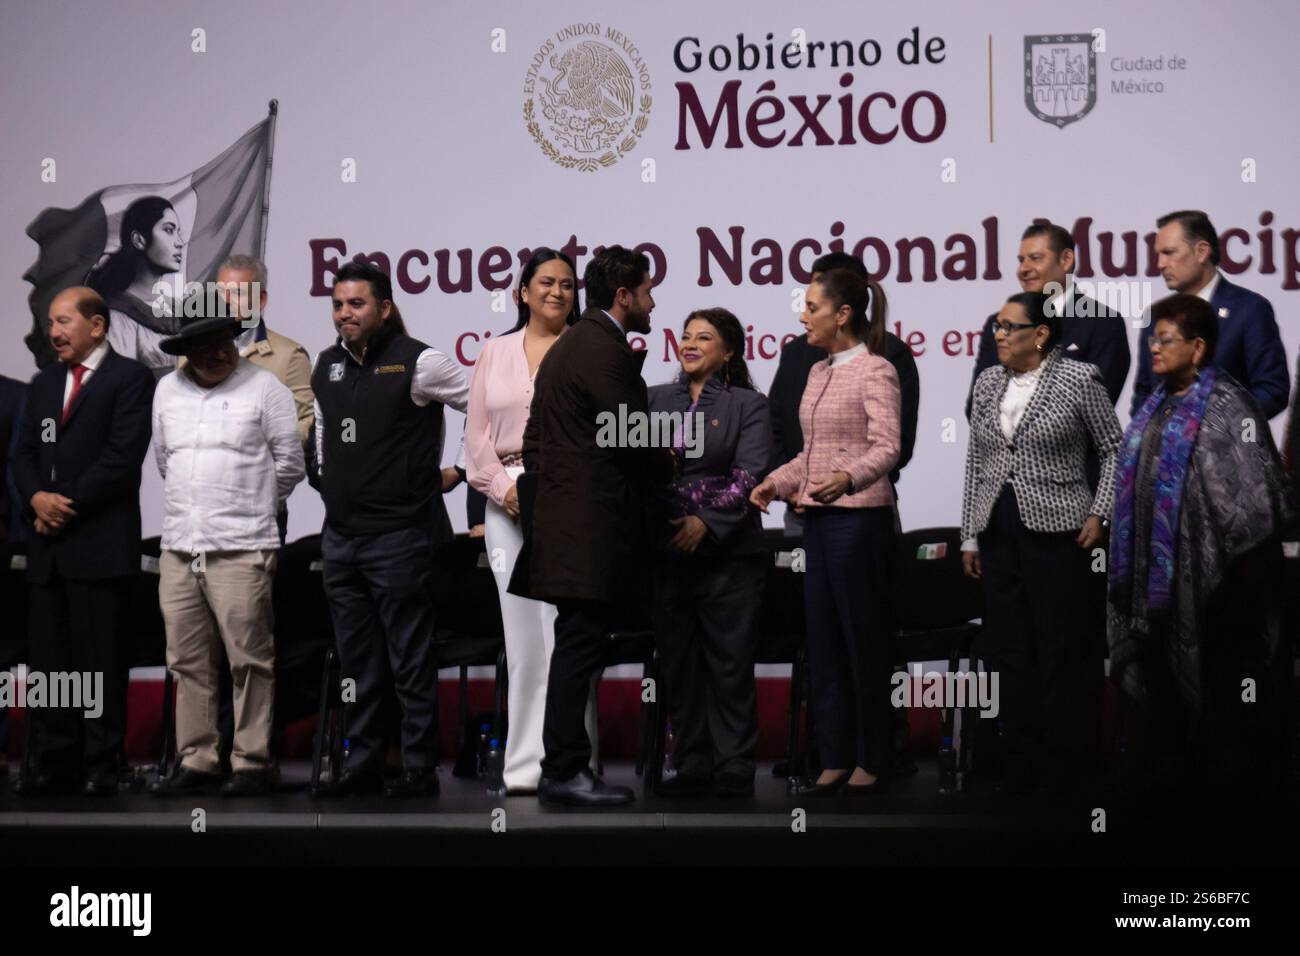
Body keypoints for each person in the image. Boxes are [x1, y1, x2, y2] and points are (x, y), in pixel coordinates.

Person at [1109, 294, 1294, 800]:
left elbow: (1256, 502)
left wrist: (1223, 562)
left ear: (1198, 347)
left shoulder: (1230, 407)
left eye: (1165, 339)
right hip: (1157, 584)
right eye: (1152, 338)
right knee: (1163, 691)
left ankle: (1231, 797)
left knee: (1225, 695)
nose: (1154, 348)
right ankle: (1176, 781)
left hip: (1225, 587)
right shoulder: (1154, 406)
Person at [508, 245, 673, 806]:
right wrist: (670, 459)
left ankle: (564, 767)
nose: (653, 302)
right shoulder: (603, 348)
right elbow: (631, 436)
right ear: (624, 297)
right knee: (579, 646)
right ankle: (564, 770)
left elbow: (534, 443)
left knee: (575, 645)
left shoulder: (568, 346)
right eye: (647, 292)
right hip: (589, 529)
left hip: (565, 524)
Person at [311, 261, 468, 797]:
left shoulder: (419, 362)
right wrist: (327, 481)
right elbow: (323, 436)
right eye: (337, 304)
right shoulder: (326, 364)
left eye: (356, 304)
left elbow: (489, 408)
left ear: (383, 308)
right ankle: (364, 764)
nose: (345, 313)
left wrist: (464, 470)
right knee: (358, 663)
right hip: (341, 537)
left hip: (401, 535)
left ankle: (420, 767)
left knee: (409, 658)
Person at [961, 291, 1122, 799]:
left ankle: (1068, 760)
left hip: (1061, 531)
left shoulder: (1080, 379)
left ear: (1042, 334)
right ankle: (1021, 759)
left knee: (1061, 647)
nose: (999, 335)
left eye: (1009, 327)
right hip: (998, 530)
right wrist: (969, 532)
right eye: (997, 327)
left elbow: (1115, 451)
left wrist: (1100, 512)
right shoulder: (988, 383)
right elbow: (976, 462)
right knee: (1009, 649)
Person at [750, 269, 900, 794]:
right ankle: (834, 755)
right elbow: (808, 456)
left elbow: (887, 447)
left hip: (860, 523)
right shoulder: (816, 372)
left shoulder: (876, 370)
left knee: (864, 642)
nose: (802, 314)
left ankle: (874, 756)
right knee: (825, 642)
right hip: (818, 523)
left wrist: (848, 478)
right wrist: (774, 482)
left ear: (843, 315)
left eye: (812, 306)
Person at [147, 313, 304, 796]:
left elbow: (290, 466)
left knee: (249, 659)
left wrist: (247, 504)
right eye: (202, 348)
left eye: (222, 344)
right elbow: (164, 460)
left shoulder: (266, 389)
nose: (215, 354)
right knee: (186, 660)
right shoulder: (167, 392)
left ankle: (251, 761)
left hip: (242, 546)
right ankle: (197, 759)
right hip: (179, 546)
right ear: (184, 352)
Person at [465, 248, 599, 793]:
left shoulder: (587, 349)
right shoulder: (492, 353)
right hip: (506, 506)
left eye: (568, 284)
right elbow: (475, 442)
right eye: (546, 282)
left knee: (565, 638)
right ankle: (523, 769)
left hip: (569, 502)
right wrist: (507, 489)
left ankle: (570, 763)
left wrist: (551, 489)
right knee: (521, 643)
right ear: (522, 292)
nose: (558, 292)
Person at [11, 287, 155, 796]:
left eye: (65, 321)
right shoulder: (44, 382)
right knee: (51, 664)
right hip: (48, 551)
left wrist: (60, 503)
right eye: (51, 321)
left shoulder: (130, 379)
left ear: (97, 326)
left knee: (99, 662)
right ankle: (56, 759)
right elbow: (24, 454)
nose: (54, 332)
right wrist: (35, 499)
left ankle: (102, 762)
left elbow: (121, 459)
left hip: (98, 546)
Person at [648, 308, 772, 797]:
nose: (690, 343)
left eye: (704, 337)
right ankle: (692, 761)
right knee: (679, 662)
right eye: (685, 336)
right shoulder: (654, 400)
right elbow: (639, 472)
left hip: (731, 555)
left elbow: (749, 475)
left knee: (730, 661)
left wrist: (706, 522)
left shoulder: (749, 404)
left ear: (728, 352)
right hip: (667, 552)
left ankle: (735, 764)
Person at [769, 252, 918, 535]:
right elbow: (776, 426)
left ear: (844, 307)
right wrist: (789, 484)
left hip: (862, 511)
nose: (805, 315)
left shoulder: (887, 357)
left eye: (817, 302)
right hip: (802, 510)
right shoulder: (800, 357)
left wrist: (845, 481)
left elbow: (895, 444)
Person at [1132, 210, 1289, 419]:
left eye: (1169, 253)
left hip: (1227, 448)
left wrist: (1217, 426)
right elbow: (1144, 391)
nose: (1160, 264)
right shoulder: (1152, 316)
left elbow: (1272, 390)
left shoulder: (1250, 309)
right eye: (1158, 255)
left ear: (1202, 252)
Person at [966, 222, 1131, 419]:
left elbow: (1093, 411)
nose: (1024, 269)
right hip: (1002, 449)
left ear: (1066, 260)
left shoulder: (1103, 323)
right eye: (1021, 260)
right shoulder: (999, 323)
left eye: (1035, 258)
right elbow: (976, 408)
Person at [215, 255, 315, 542]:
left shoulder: (288, 355)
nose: (226, 301)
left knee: (254, 586)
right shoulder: (190, 353)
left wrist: (262, 475)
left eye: (237, 293)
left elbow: (303, 427)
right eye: (221, 293)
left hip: (259, 508)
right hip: (200, 510)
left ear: (260, 301)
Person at [86, 195, 183, 373]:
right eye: (169, 230)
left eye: (178, 232)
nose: (179, 242)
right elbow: (120, 386)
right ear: (139, 240)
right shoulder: (117, 317)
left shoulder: (177, 309)